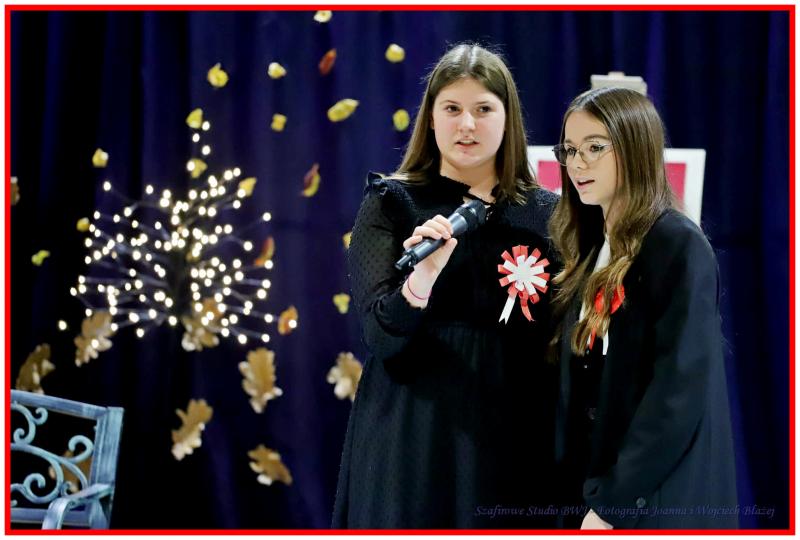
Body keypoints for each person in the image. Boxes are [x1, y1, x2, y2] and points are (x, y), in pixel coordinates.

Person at [332, 43, 560, 529]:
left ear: (508, 119)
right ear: (431, 119)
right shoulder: (392, 202)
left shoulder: (550, 213)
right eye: (452, 109)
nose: (467, 125)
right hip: (411, 435)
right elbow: (380, 336)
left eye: (483, 109)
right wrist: (422, 278)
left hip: (515, 434)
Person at [548, 87, 738, 529]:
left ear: (634, 147)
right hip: (596, 496)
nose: (577, 163)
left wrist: (612, 503)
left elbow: (677, 394)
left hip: (654, 502)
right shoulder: (589, 248)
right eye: (570, 150)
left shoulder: (678, 245)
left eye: (594, 147)